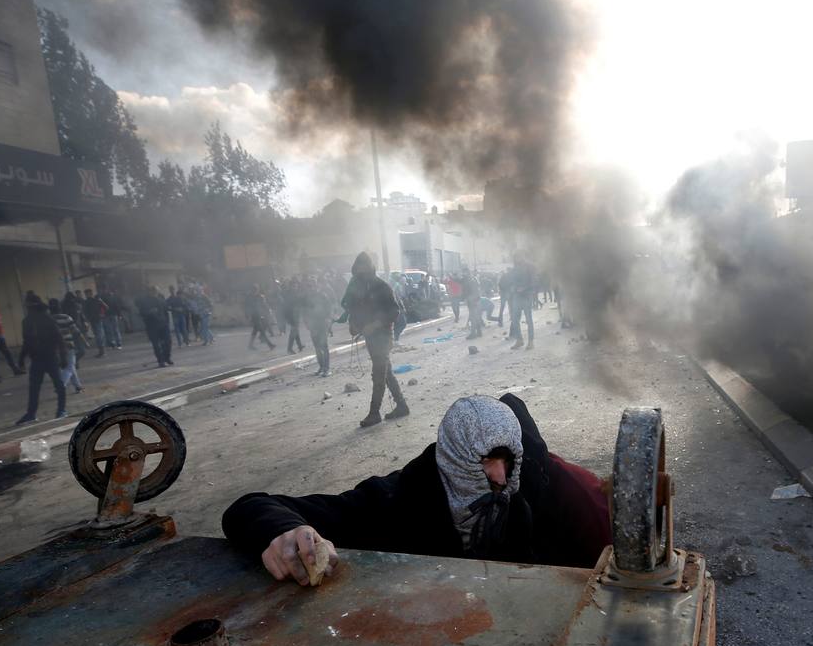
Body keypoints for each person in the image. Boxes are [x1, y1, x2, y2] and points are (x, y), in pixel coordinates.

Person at [222, 394, 612, 585]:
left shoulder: (550, 489)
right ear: (456, 456)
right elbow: (253, 506)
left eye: (507, 460)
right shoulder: (400, 500)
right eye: (485, 460)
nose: (498, 476)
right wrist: (285, 532)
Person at [343, 251, 407, 428]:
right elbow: (355, 310)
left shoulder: (382, 286)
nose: (360, 272)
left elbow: (394, 311)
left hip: (383, 336)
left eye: (363, 267)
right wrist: (354, 325)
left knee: (379, 374)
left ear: (370, 268)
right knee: (387, 374)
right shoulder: (358, 288)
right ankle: (401, 406)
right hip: (371, 338)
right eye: (358, 268)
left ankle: (374, 413)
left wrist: (375, 324)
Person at [16, 292, 67, 423]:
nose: (28, 309)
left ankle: (61, 410)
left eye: (29, 306)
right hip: (37, 359)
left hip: (50, 357)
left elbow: (59, 338)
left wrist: (63, 356)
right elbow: (26, 342)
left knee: (59, 385)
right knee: (34, 388)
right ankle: (31, 414)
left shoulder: (47, 319)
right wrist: (21, 358)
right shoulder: (26, 321)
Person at [48, 298, 86, 394]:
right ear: (59, 307)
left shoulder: (48, 319)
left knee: (70, 366)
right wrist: (85, 341)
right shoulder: (66, 317)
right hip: (68, 345)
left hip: (54, 347)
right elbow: (76, 331)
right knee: (69, 367)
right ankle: (61, 385)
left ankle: (78, 386)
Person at [302, 274, 332, 377]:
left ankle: (327, 369)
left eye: (312, 286)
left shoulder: (323, 296)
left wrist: (328, 323)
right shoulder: (307, 298)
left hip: (322, 324)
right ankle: (321, 367)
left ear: (316, 286)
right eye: (309, 286)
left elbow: (329, 310)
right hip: (313, 326)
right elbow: (304, 311)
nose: (311, 288)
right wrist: (306, 322)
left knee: (324, 347)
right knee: (317, 348)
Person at [503, 253, 536, 350]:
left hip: (526, 296)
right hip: (517, 296)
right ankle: (519, 340)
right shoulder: (515, 268)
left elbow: (534, 282)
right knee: (514, 319)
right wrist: (512, 288)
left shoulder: (529, 267)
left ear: (523, 256)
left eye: (519, 256)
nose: (518, 258)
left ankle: (531, 342)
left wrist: (524, 288)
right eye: (516, 257)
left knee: (528, 319)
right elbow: (511, 281)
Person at [137, 287, 174, 367]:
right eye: (152, 291)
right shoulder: (145, 301)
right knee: (156, 345)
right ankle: (161, 361)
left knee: (168, 342)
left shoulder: (161, 299)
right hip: (152, 326)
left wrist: (167, 322)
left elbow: (166, 311)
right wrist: (149, 312)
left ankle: (167, 357)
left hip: (163, 324)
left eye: (156, 291)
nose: (154, 293)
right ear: (149, 292)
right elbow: (141, 313)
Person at [246, 284, 276, 351]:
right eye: (254, 290)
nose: (254, 291)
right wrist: (248, 315)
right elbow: (247, 307)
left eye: (255, 290)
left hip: (259, 315)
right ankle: (270, 345)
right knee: (262, 331)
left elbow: (264, 305)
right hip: (255, 316)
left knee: (255, 331)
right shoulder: (251, 297)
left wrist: (268, 310)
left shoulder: (259, 297)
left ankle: (250, 345)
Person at [81, 289, 106, 357]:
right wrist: (102, 313)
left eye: (86, 294)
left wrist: (87, 319)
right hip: (97, 319)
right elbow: (105, 307)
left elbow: (84, 312)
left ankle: (101, 351)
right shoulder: (97, 300)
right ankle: (102, 350)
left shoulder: (86, 302)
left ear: (89, 294)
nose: (86, 295)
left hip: (93, 320)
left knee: (98, 335)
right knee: (99, 334)